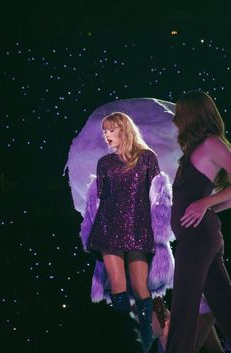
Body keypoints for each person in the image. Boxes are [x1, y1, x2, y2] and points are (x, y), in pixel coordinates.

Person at [80, 112, 175, 353]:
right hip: (108, 229)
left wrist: (162, 229)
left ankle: (145, 342)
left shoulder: (147, 158)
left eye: (111, 130)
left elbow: (157, 194)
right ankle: (127, 345)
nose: (107, 135)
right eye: (104, 131)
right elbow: (101, 197)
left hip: (138, 229)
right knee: (118, 287)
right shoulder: (104, 163)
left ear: (124, 130)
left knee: (141, 287)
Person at [165, 91, 231, 353]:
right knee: (222, 300)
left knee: (184, 303)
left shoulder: (212, 143)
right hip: (198, 235)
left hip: (197, 237)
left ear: (193, 114)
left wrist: (205, 204)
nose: (176, 120)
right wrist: (212, 207)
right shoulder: (196, 148)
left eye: (180, 114)